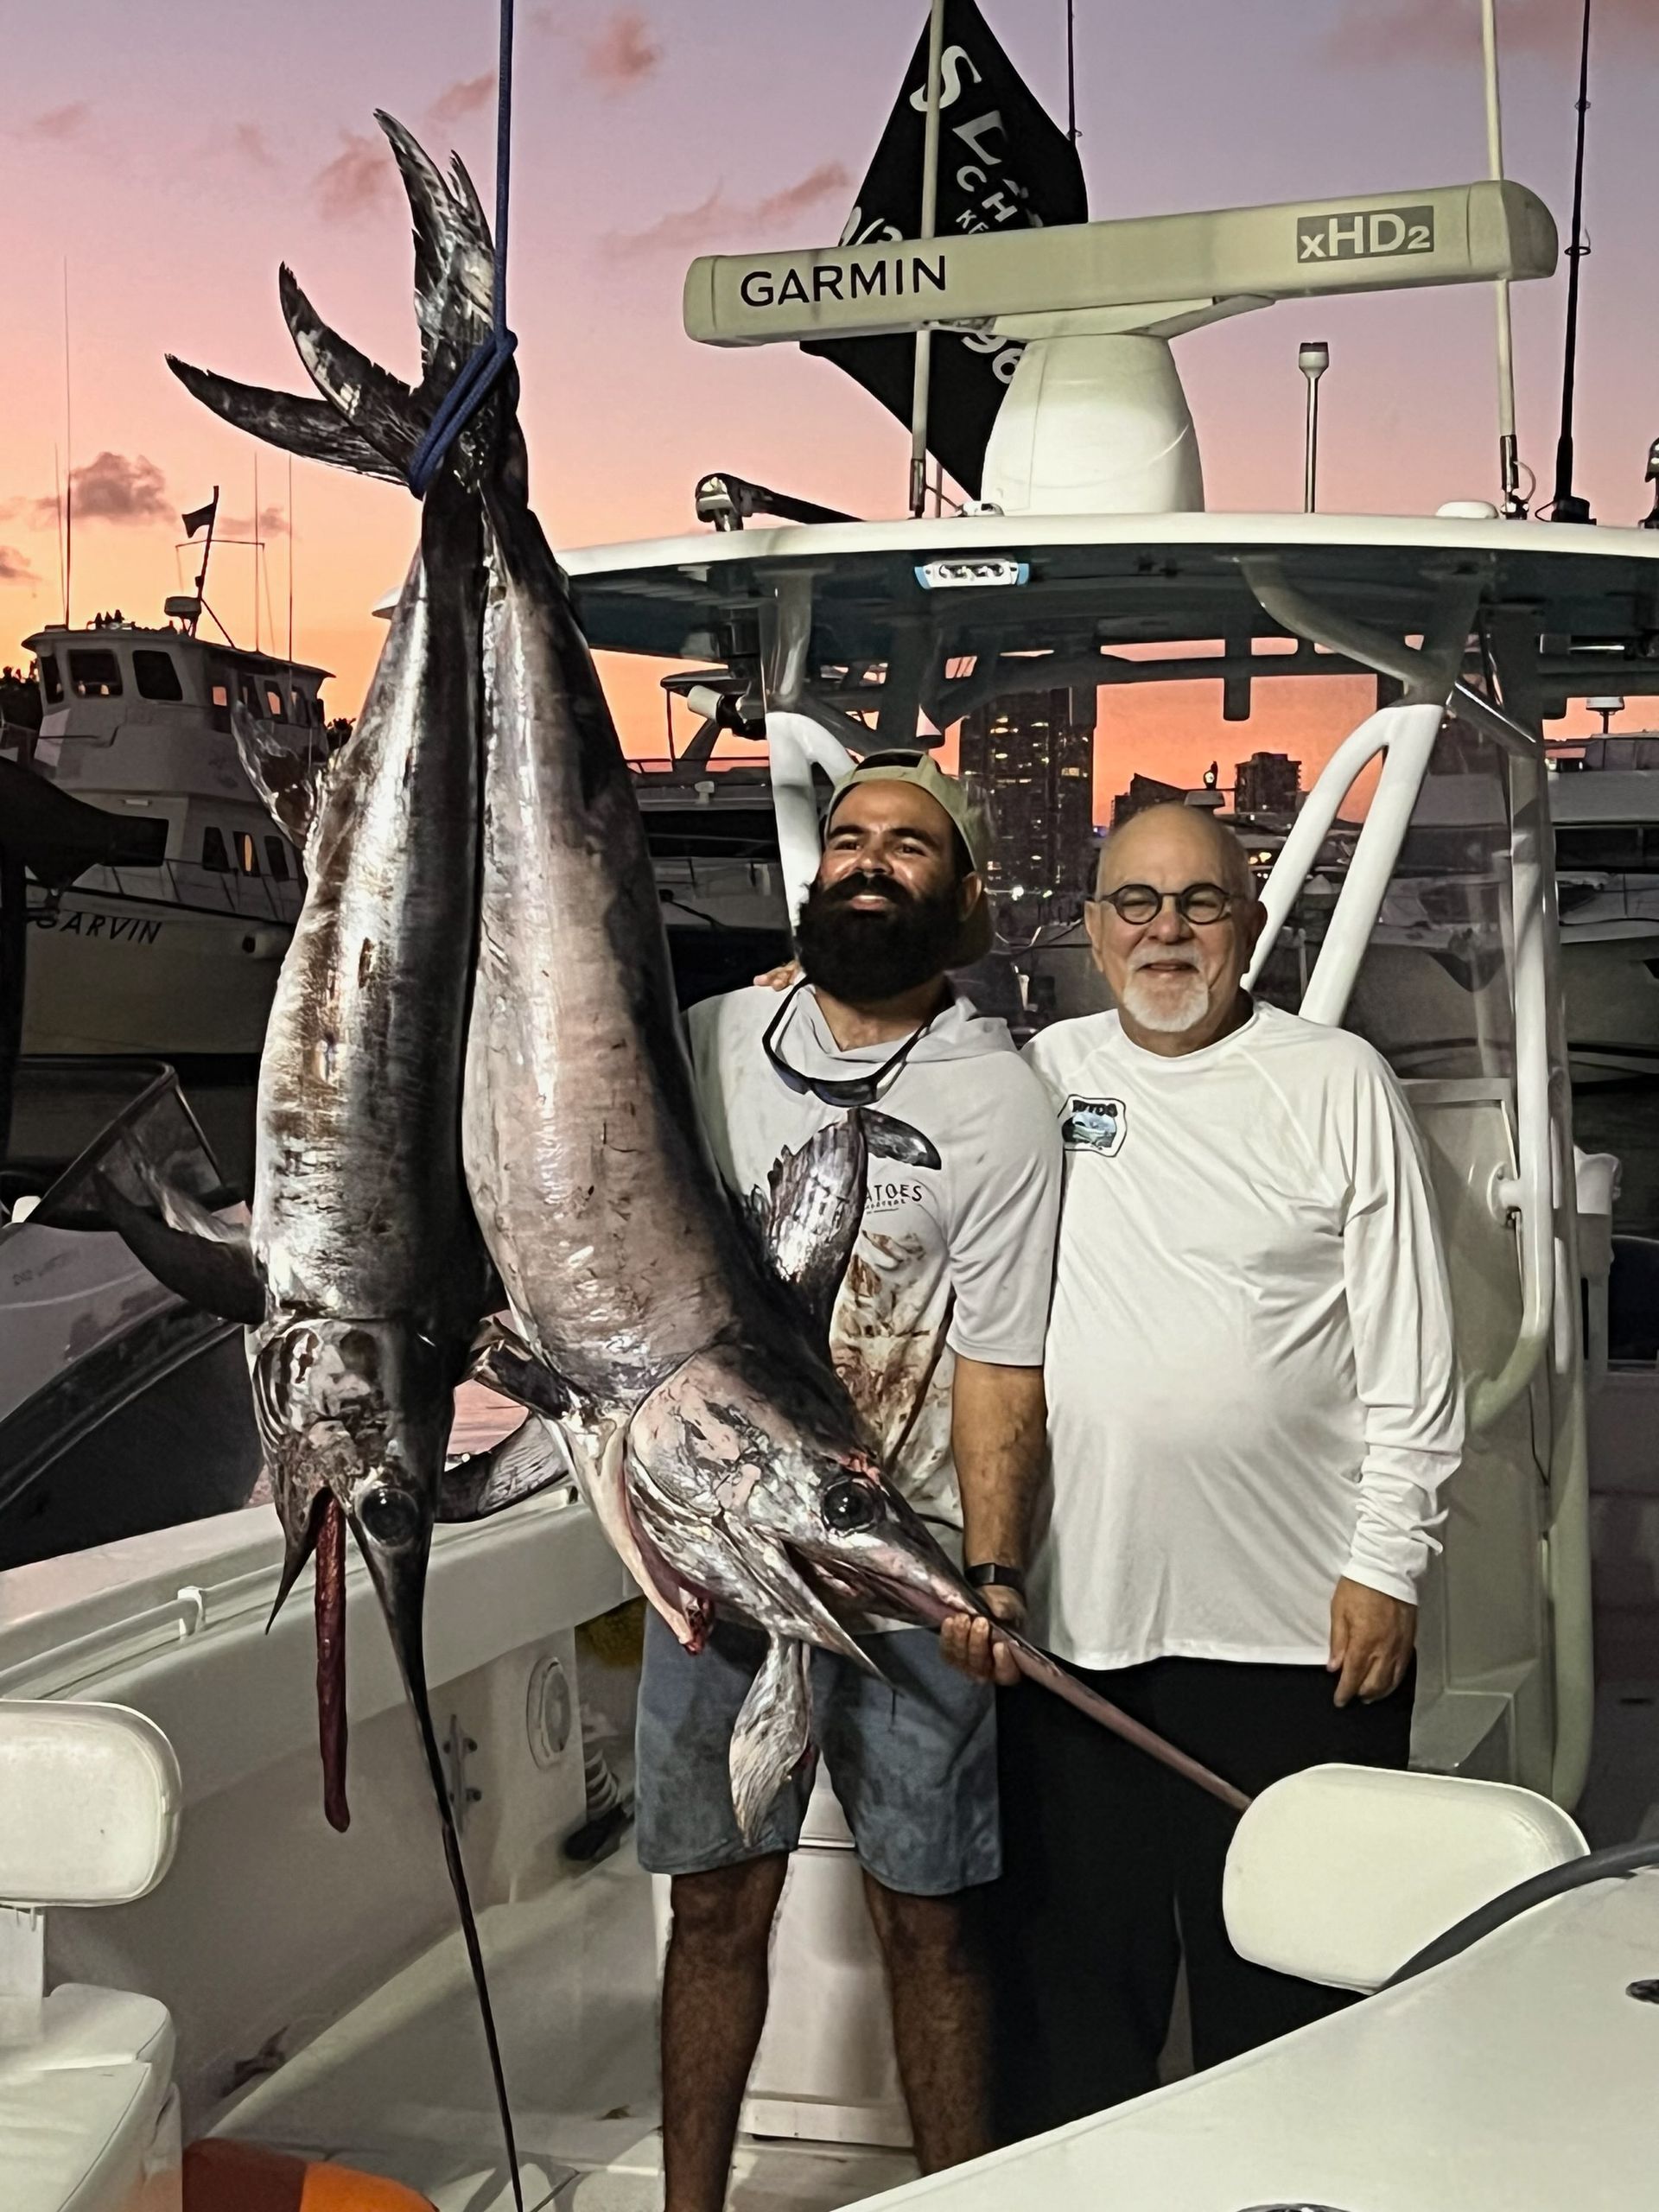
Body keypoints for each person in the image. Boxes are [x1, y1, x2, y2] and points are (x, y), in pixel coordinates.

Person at [948, 801, 1463, 2140]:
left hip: (1297, 1633)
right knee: (1076, 2014)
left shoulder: (1336, 1079)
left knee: (1297, 2010)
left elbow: (1415, 1355)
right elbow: (884, 1080)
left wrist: (1387, 1564)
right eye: (1135, 903)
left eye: (1199, 904)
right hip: (1075, 1634)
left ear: (1247, 924)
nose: (1165, 932)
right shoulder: (1039, 1072)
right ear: (1094, 932)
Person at [639, 751, 1062, 2212]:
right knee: (712, 1909)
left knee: (931, 1920)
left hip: (907, 1557)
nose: (872, 861)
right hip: (713, 1554)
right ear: (815, 880)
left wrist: (993, 1573)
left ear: (961, 897)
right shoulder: (705, 1042)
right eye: (851, 841)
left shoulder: (1000, 1098)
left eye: (911, 846)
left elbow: (1003, 1366)